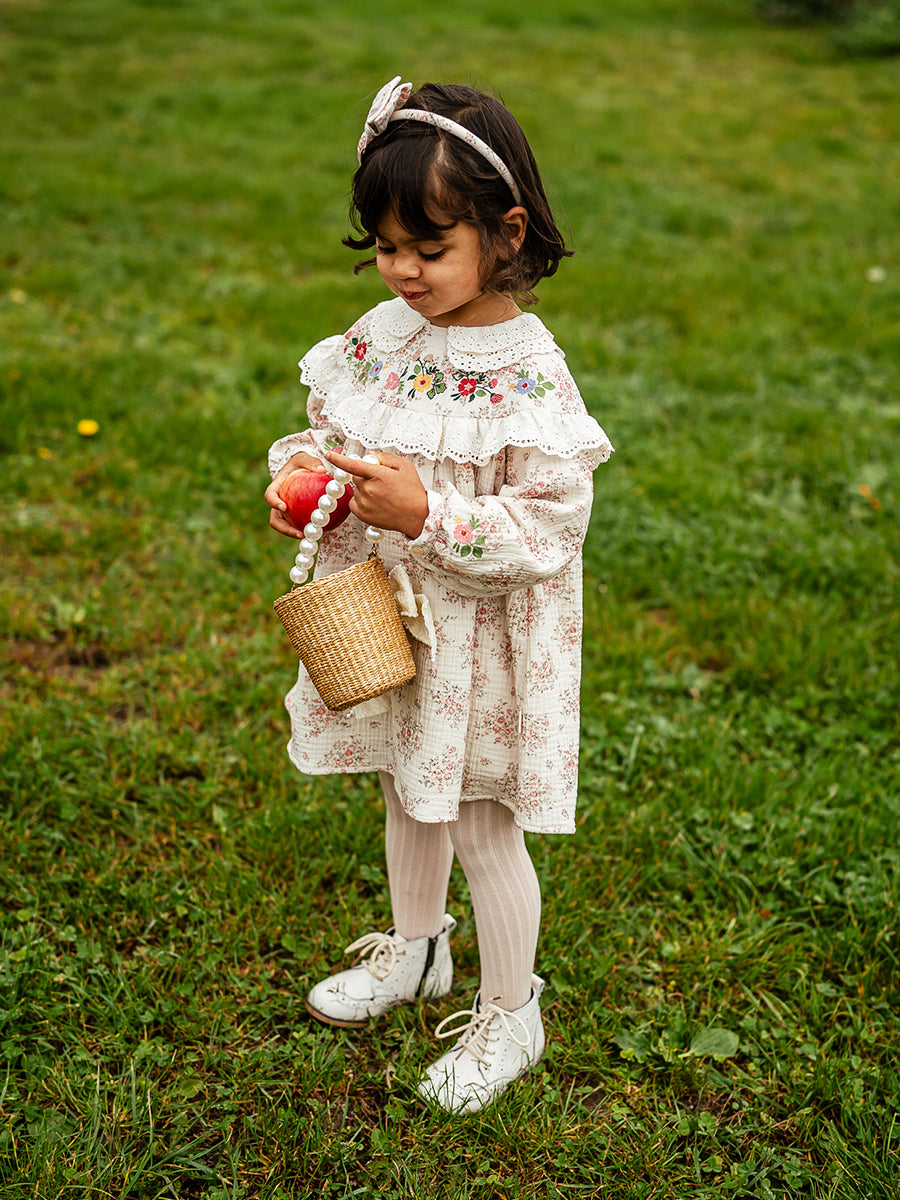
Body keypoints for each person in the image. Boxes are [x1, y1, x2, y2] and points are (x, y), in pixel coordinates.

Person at [264, 76, 612, 1114]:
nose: (403, 270)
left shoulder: (527, 374)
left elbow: (549, 529)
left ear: (506, 234)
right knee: (403, 787)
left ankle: (512, 1011)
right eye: (385, 247)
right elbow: (333, 432)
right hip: (390, 621)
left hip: (483, 646)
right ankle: (418, 951)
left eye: (429, 247)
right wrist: (305, 475)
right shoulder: (386, 333)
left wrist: (428, 515)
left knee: (477, 821)